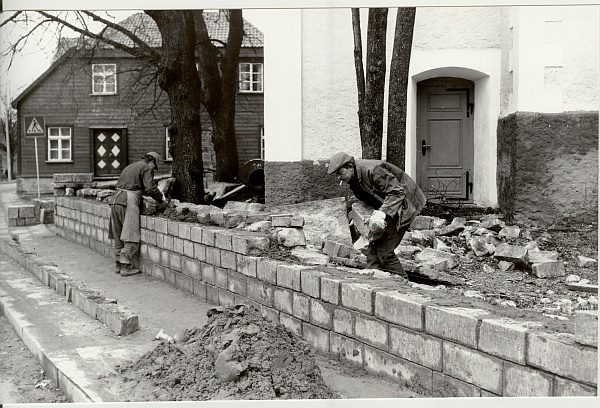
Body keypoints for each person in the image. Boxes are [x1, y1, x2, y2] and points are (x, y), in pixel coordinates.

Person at [328, 152, 426, 280]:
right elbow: (368, 197)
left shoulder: (373, 170)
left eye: (340, 173)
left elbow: (397, 192)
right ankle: (372, 281)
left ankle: (404, 285)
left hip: (405, 205)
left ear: (350, 166)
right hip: (389, 206)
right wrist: (357, 216)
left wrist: (381, 213)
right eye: (337, 175)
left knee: (385, 252)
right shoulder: (354, 178)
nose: (339, 178)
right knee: (372, 248)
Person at [109, 152, 166, 276]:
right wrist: (161, 199)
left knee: (118, 234)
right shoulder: (146, 168)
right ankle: (125, 266)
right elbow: (150, 188)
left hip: (115, 200)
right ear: (152, 162)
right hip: (129, 200)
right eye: (154, 166)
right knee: (131, 233)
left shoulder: (131, 166)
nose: (153, 169)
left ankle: (118, 265)